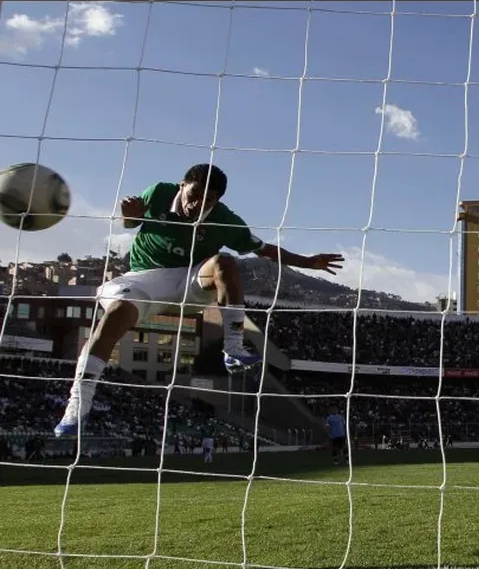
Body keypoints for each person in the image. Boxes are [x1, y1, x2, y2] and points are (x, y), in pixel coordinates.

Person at [54, 164, 344, 438]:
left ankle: (232, 347)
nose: (198, 205)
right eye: (194, 196)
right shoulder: (158, 192)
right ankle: (78, 403)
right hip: (144, 278)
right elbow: (133, 222)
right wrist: (127, 215)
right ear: (182, 186)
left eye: (208, 201)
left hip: (190, 281)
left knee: (225, 263)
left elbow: (262, 249)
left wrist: (307, 261)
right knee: (115, 314)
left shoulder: (225, 219)